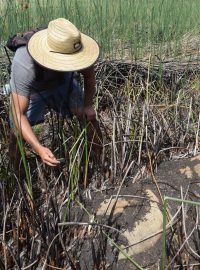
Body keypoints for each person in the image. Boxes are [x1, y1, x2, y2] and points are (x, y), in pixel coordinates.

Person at [9, 18, 101, 167]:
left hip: (63, 83)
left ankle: (100, 163)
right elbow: (19, 115)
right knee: (16, 133)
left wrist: (88, 105)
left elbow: (89, 75)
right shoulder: (24, 63)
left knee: (89, 118)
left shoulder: (76, 48)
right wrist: (39, 148)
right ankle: (18, 173)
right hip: (34, 92)